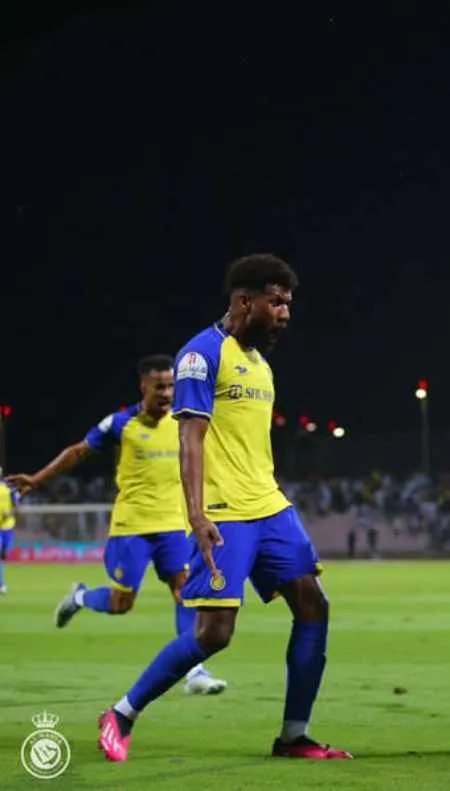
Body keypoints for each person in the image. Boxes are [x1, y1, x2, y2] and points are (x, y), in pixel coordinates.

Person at [97, 254, 352, 763]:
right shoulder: (199, 355)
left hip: (271, 507)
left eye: (288, 304)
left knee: (314, 606)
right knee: (214, 634)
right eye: (276, 302)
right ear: (244, 300)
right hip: (224, 511)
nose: (285, 313)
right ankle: (121, 713)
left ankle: (293, 737)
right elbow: (191, 438)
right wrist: (196, 514)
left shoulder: (261, 364)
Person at [6, 357, 226, 695]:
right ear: (144, 387)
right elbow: (79, 452)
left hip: (172, 525)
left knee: (185, 594)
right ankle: (80, 597)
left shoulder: (185, 423)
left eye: (171, 386)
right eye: (160, 387)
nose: (167, 393)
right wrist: (37, 479)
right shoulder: (121, 424)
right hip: (131, 526)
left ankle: (194, 671)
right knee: (121, 604)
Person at [0, 471, 19, 594]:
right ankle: (1, 584)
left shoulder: (9, 489)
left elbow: (16, 507)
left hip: (8, 526)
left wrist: (10, 513)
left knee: (4, 555)